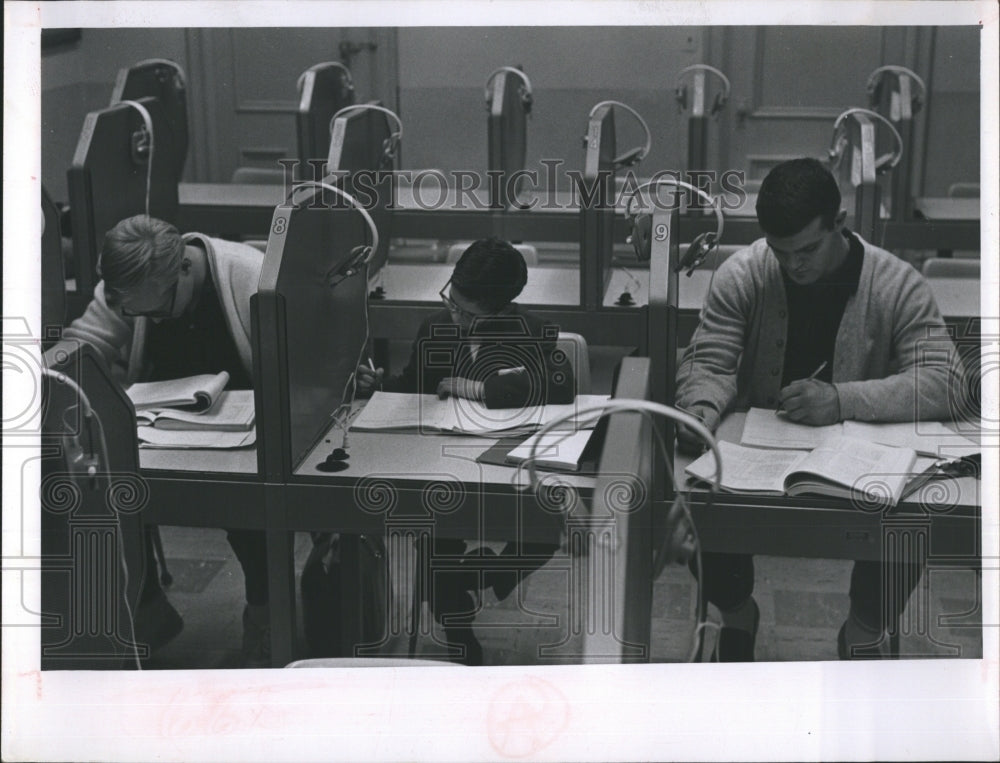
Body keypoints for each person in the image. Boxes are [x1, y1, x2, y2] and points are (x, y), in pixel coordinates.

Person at [674, 158, 964, 661]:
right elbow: (709, 362)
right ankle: (736, 613)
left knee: (911, 512)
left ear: (840, 223)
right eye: (781, 252)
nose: (795, 266)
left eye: (808, 249)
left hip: (857, 462)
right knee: (701, 490)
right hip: (759, 458)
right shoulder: (743, 273)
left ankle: (864, 629)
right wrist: (698, 410)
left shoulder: (897, 282)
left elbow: (947, 381)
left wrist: (842, 399)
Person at [63, 215, 272, 668]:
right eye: (136, 314)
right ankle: (145, 614)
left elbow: (293, 369)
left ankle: (263, 615)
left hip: (245, 432)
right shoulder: (128, 285)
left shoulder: (250, 276)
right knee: (106, 487)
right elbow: (82, 349)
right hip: (158, 428)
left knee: (251, 511)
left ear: (184, 268)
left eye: (157, 311)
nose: (149, 320)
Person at [356, 238, 576, 664]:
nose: (454, 316)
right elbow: (414, 386)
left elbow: (559, 387)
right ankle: (458, 630)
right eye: (451, 302)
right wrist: (380, 386)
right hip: (443, 461)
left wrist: (474, 388)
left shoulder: (532, 331)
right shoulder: (436, 327)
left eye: (468, 313)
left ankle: (481, 576)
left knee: (547, 524)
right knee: (435, 530)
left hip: (504, 463)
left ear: (502, 309)